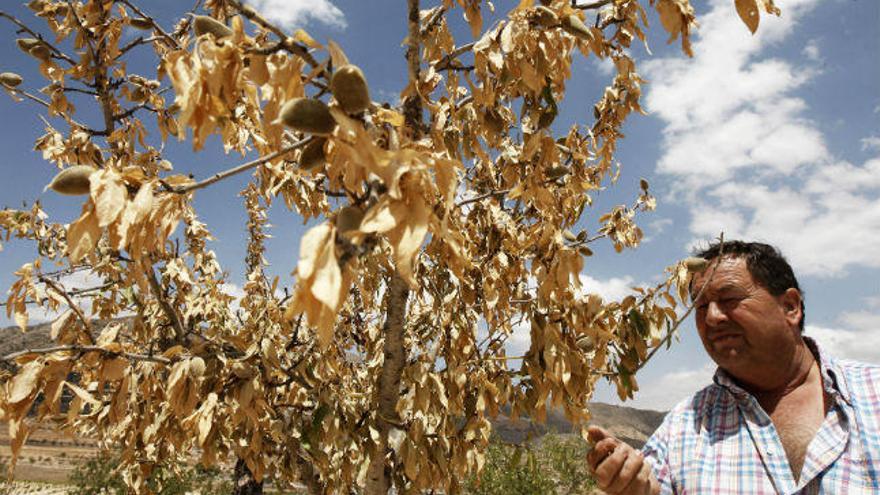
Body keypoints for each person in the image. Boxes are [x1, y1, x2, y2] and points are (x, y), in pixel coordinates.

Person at [586, 240, 880, 494]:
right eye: (700, 306)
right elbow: (647, 488)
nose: (712, 317)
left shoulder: (872, 395)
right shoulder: (684, 427)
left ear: (791, 306)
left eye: (729, 299)